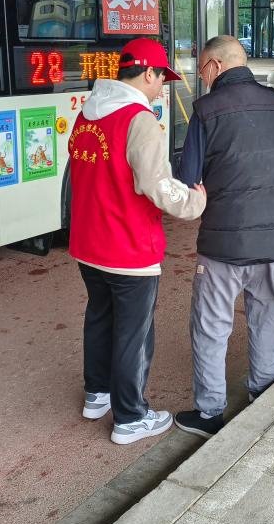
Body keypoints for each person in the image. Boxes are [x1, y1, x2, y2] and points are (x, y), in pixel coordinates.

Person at [68, 37, 207, 445]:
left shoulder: (87, 113)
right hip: (128, 247)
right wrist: (195, 201)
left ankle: (97, 394)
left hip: (88, 243)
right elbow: (157, 186)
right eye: (162, 78)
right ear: (148, 73)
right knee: (134, 332)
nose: (162, 87)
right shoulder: (140, 120)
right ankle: (130, 417)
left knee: (99, 316)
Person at [172, 35, 274, 438]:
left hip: (223, 243)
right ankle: (262, 396)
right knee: (270, 320)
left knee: (211, 326)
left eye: (201, 70)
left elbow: (188, 178)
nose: (202, 77)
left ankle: (210, 412)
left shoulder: (206, 110)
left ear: (214, 65)